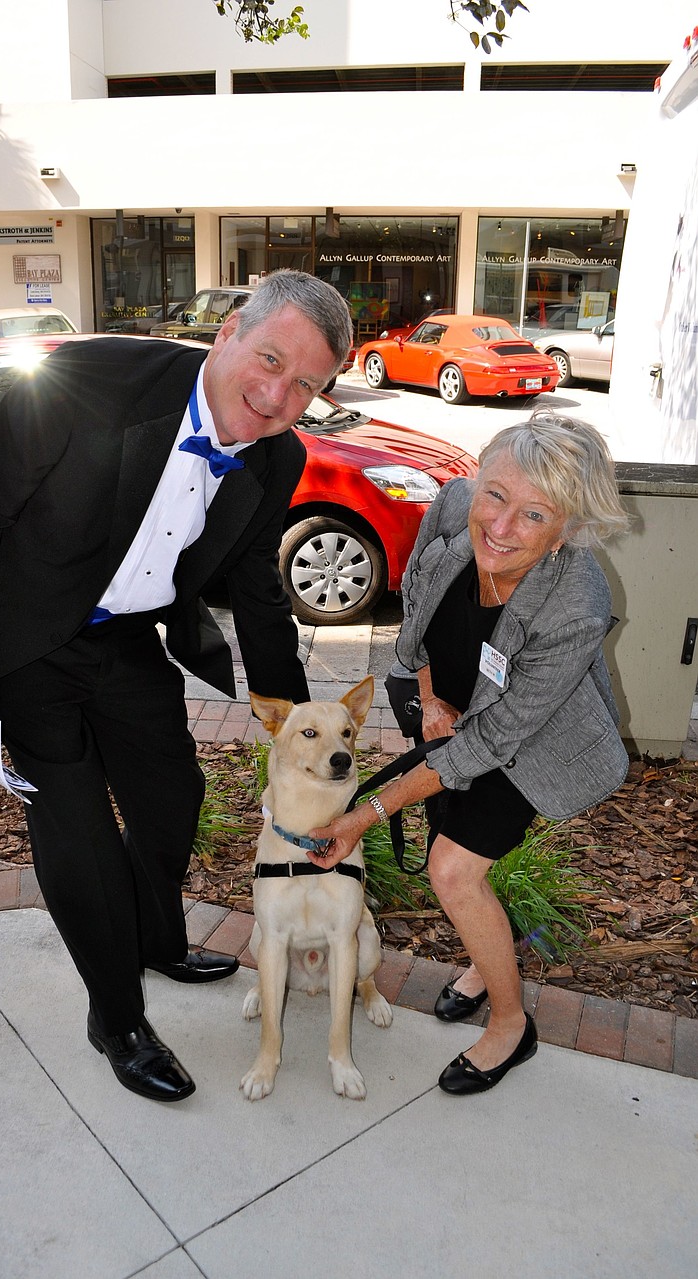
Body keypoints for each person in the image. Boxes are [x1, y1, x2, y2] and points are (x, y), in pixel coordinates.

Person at [0, 269, 352, 1104]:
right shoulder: (88, 382)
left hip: (124, 638)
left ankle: (153, 939)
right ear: (226, 335)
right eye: (268, 359)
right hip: (22, 640)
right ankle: (116, 1018)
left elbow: (256, 587)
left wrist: (300, 718)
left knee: (173, 797)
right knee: (78, 832)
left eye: (305, 384)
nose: (275, 394)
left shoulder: (279, 456)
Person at [307, 412, 630, 1095]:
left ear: (566, 528)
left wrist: (364, 814)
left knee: (452, 870)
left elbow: (495, 738)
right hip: (448, 701)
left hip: (535, 741)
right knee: (450, 831)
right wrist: (427, 698)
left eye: (534, 514)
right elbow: (419, 610)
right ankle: (488, 966)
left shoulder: (575, 600)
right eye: (496, 495)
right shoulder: (455, 504)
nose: (501, 527)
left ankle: (511, 1026)